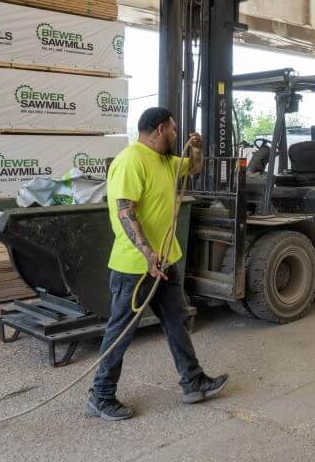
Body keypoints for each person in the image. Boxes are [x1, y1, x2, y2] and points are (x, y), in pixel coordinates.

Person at [88, 107, 228, 421]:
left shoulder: (164, 160)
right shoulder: (131, 160)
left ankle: (193, 382)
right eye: (174, 130)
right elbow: (125, 212)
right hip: (135, 266)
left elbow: (193, 168)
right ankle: (100, 396)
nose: (176, 135)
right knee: (121, 332)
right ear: (160, 129)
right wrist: (147, 253)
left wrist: (196, 148)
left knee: (177, 322)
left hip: (166, 261)